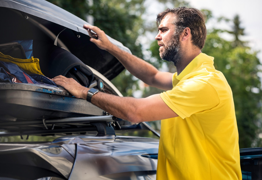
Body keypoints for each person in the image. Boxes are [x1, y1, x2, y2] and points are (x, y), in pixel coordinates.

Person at [52, 7, 242, 180]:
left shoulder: (204, 84)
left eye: (164, 30)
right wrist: (110, 47)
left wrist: (84, 92)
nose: (157, 37)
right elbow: (152, 76)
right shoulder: (187, 78)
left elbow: (136, 112)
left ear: (185, 33)